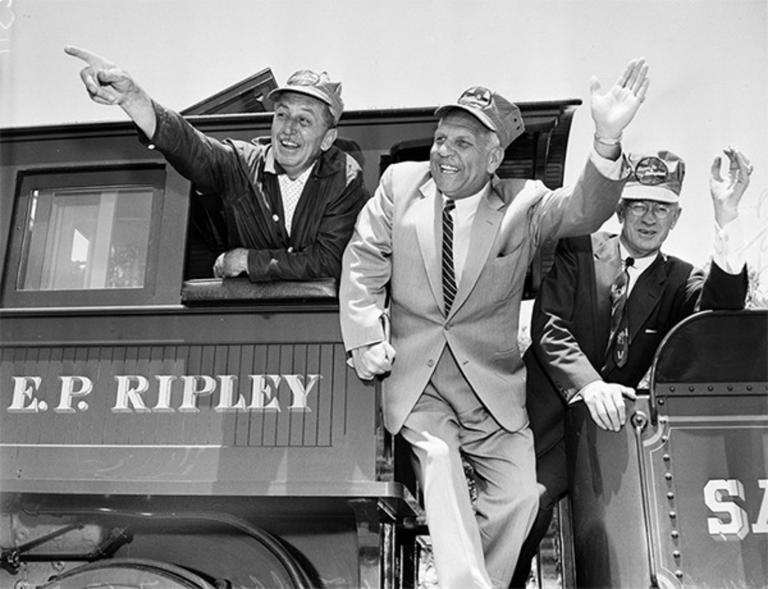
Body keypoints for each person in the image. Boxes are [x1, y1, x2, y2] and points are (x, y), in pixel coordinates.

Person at [339, 59, 650, 589]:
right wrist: (367, 336)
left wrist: (607, 138)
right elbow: (364, 261)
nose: (443, 151)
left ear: (493, 157)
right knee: (438, 459)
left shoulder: (524, 203)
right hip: (418, 379)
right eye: (440, 138)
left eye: (462, 142)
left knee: (522, 496)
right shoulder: (399, 184)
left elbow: (584, 210)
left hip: (492, 389)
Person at [513, 147, 751, 587]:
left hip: (607, 443)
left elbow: (719, 314)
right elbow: (550, 326)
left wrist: (726, 215)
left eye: (661, 208)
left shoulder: (680, 279)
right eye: (639, 204)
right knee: (526, 506)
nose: (649, 217)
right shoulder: (579, 246)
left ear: (675, 219)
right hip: (537, 426)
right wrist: (589, 386)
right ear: (620, 209)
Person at [65, 46, 367, 282]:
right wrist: (133, 99)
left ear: (327, 139)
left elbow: (329, 262)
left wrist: (245, 260)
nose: (288, 129)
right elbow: (191, 146)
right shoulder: (241, 163)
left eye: (304, 120)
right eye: (282, 114)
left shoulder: (344, 178)